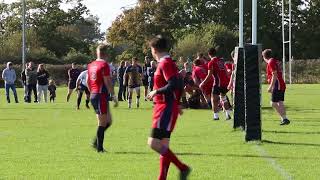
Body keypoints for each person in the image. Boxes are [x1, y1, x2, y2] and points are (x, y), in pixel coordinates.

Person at [147, 35, 191, 180]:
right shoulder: (170, 63)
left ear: (154, 49)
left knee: (153, 143)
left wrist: (156, 91)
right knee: (164, 145)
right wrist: (177, 103)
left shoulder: (165, 63)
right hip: (168, 106)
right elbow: (178, 84)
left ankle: (182, 167)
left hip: (164, 107)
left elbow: (175, 84)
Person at [87, 44, 118, 153]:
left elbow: (87, 81)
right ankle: (99, 148)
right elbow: (108, 82)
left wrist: (92, 92)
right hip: (100, 96)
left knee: (108, 121)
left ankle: (96, 142)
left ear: (97, 52)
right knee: (102, 123)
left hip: (95, 94)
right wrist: (114, 96)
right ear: (106, 53)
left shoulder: (91, 65)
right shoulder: (104, 65)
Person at [200, 48, 232, 120]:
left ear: (209, 54)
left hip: (218, 83)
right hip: (225, 83)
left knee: (214, 99)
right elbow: (226, 73)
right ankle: (228, 114)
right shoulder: (221, 61)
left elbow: (209, 75)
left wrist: (202, 83)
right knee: (223, 98)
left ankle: (216, 116)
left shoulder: (211, 62)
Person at [262, 49, 290, 125]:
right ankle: (284, 119)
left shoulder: (271, 62)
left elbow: (275, 74)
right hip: (281, 83)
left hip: (277, 84)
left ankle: (284, 118)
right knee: (280, 102)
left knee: (273, 103)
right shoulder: (274, 61)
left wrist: (271, 86)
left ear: (264, 57)